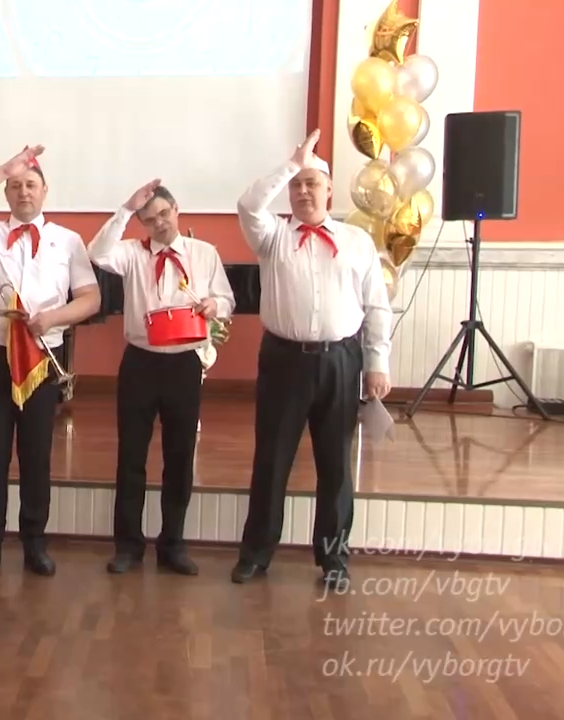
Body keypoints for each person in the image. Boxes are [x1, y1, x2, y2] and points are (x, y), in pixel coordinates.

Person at [231, 129, 392, 587]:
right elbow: (248, 205)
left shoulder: (357, 241)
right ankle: (257, 553)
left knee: (336, 465)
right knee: (272, 459)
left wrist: (377, 362)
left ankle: (334, 558)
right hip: (284, 360)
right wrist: (291, 164)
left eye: (312, 183)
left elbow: (377, 305)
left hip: (341, 360)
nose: (303, 192)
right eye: (297, 185)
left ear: (329, 190)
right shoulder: (272, 236)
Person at [0, 145, 100, 576]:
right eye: (15, 186)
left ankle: (35, 543)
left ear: (45, 191)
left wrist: (53, 317)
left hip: (41, 355)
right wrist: (2, 170)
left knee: (36, 454)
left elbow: (90, 299)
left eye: (30, 184)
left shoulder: (67, 241)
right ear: (6, 193)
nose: (23, 192)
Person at [87, 180, 236, 576]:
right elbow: (96, 252)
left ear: (176, 209)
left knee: (180, 456)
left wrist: (214, 305)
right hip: (140, 362)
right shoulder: (131, 253)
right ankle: (128, 546)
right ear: (143, 223)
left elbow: (227, 300)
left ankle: (173, 545)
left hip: (184, 363)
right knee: (131, 457)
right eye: (150, 219)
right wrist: (125, 209)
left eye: (164, 214)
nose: (160, 224)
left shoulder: (203, 253)